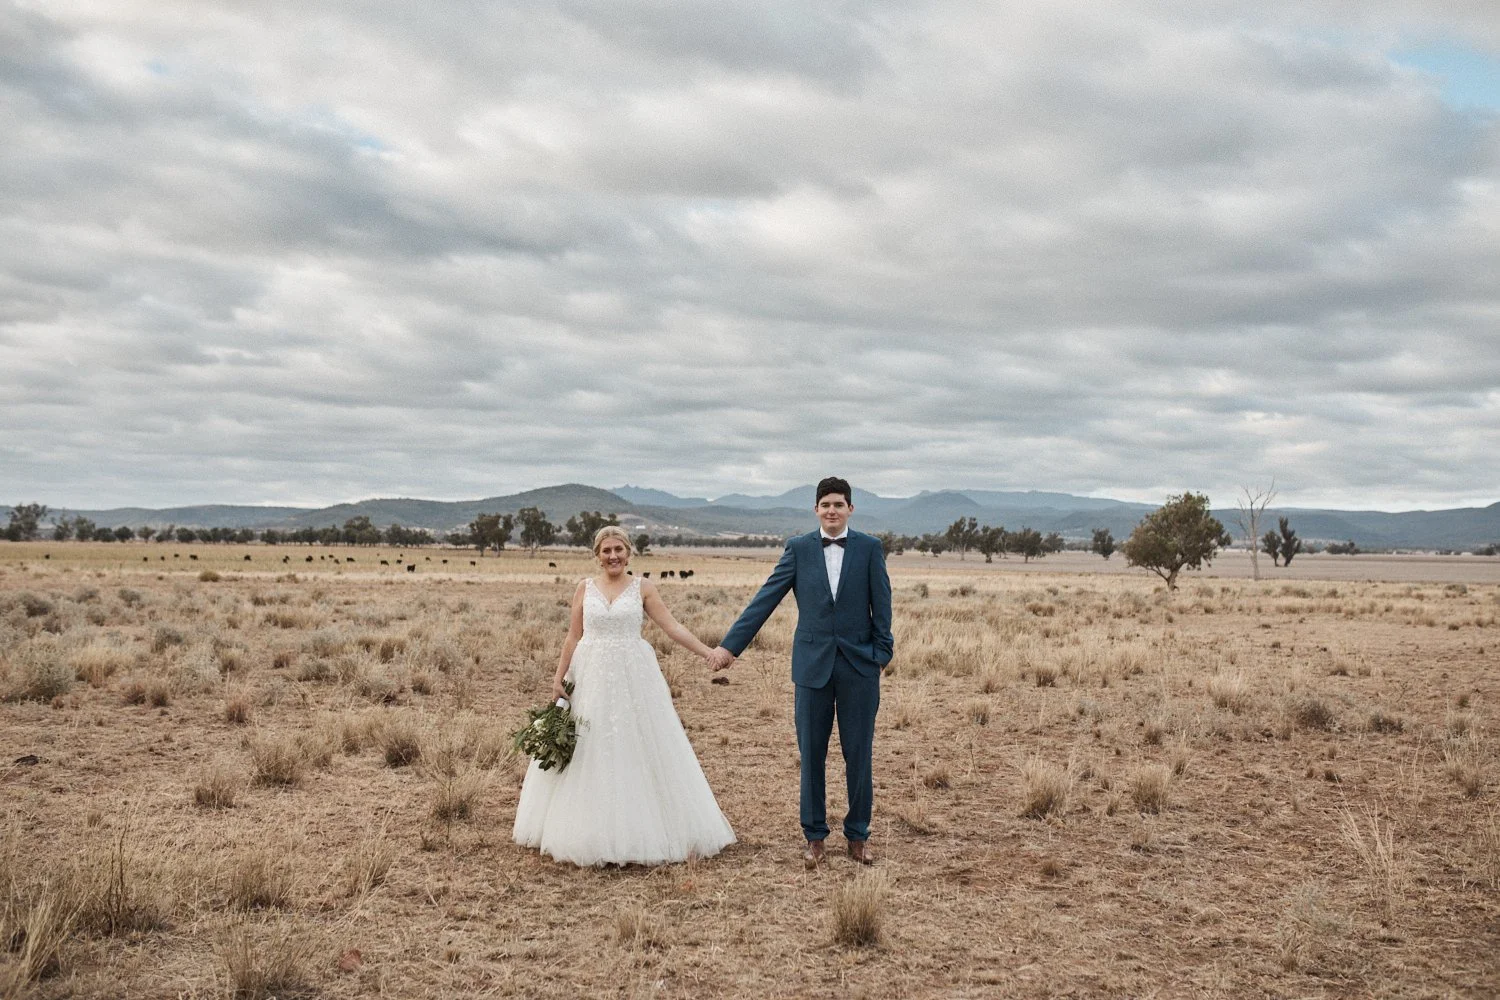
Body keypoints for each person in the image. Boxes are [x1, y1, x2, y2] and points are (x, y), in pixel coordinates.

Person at [513, 525, 736, 866]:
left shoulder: (643, 588)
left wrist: (709, 653)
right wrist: (559, 677)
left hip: (634, 677)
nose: (613, 556)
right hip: (589, 675)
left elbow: (672, 627)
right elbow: (573, 636)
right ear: (597, 555)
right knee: (588, 744)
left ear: (629, 553)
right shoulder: (584, 588)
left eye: (619, 549)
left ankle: (641, 830)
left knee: (636, 743)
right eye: (606, 550)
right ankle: (586, 830)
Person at [708, 477, 893, 868]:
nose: (832, 510)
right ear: (816, 510)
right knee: (811, 755)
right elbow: (765, 599)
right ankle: (815, 837)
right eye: (825, 504)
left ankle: (858, 836)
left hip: (859, 668)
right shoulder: (798, 548)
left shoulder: (870, 548)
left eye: (839, 504)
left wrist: (880, 656)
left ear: (850, 509)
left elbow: (883, 606)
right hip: (811, 668)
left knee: (859, 754)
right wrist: (729, 647)